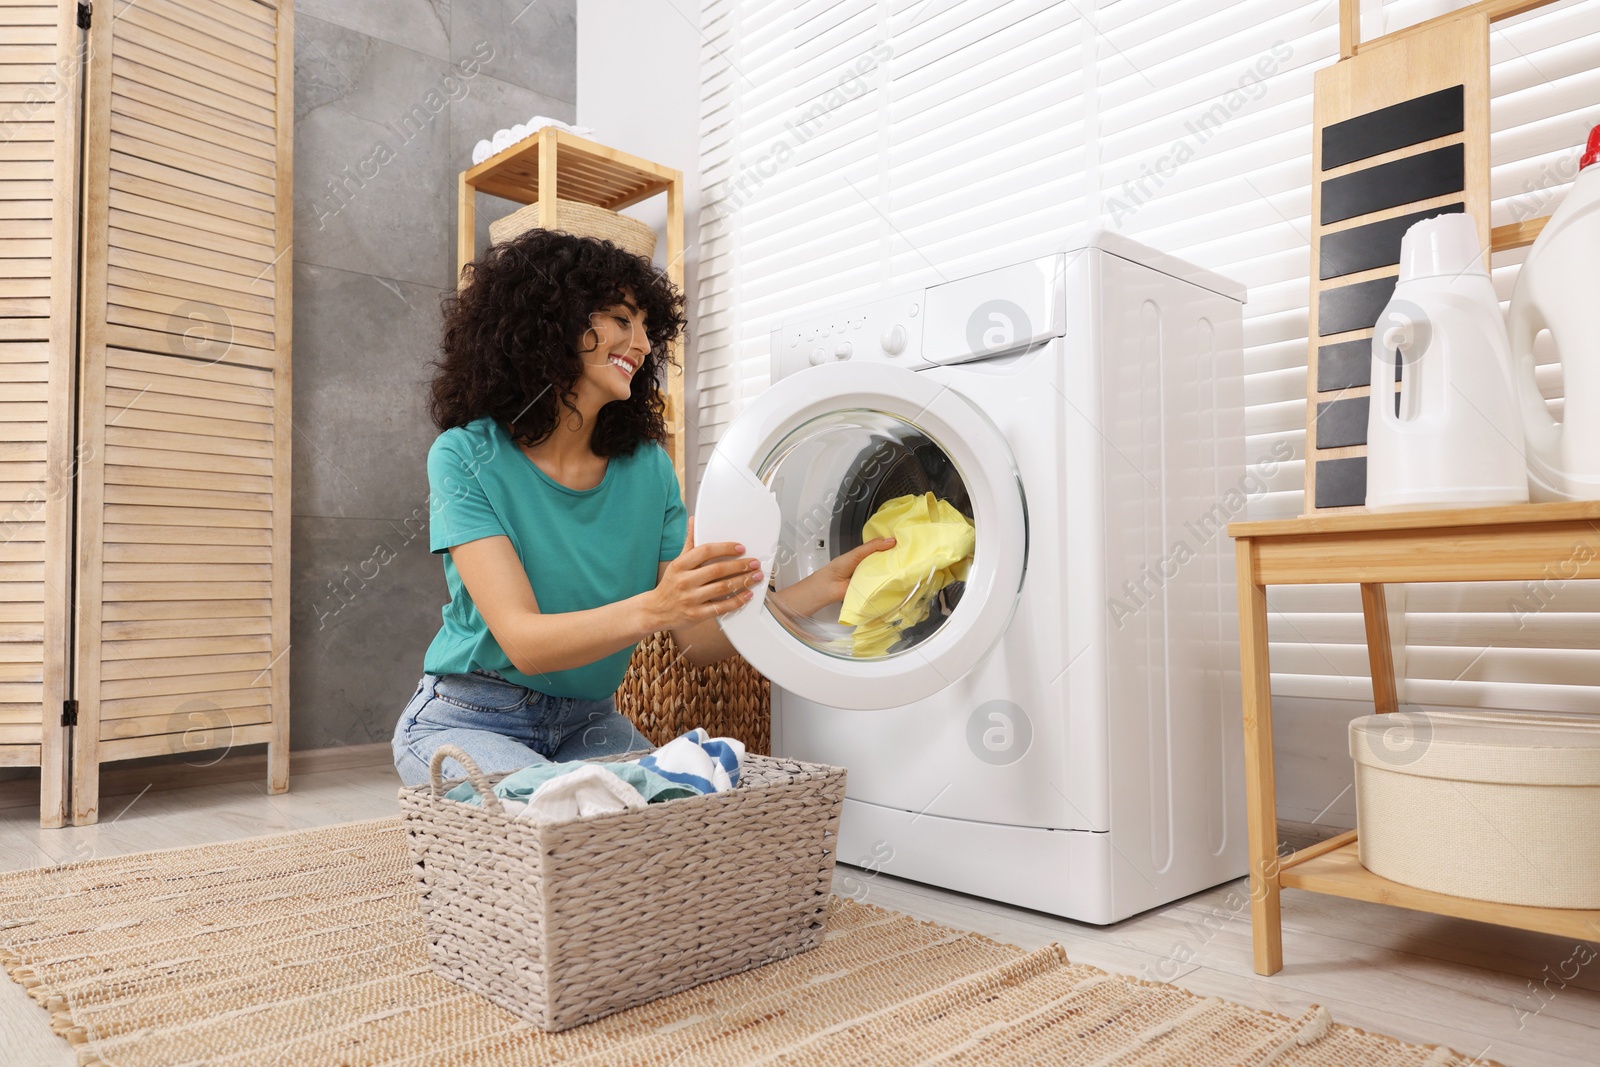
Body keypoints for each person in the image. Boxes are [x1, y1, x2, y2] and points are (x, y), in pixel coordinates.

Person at [392, 229, 892, 787]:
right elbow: (525, 644)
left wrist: (820, 588)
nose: (644, 343)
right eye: (622, 319)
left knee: (666, 815)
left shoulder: (647, 467)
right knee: (558, 815)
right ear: (548, 320)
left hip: (590, 724)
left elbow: (699, 642)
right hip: (471, 716)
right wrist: (658, 606)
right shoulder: (466, 454)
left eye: (647, 327)